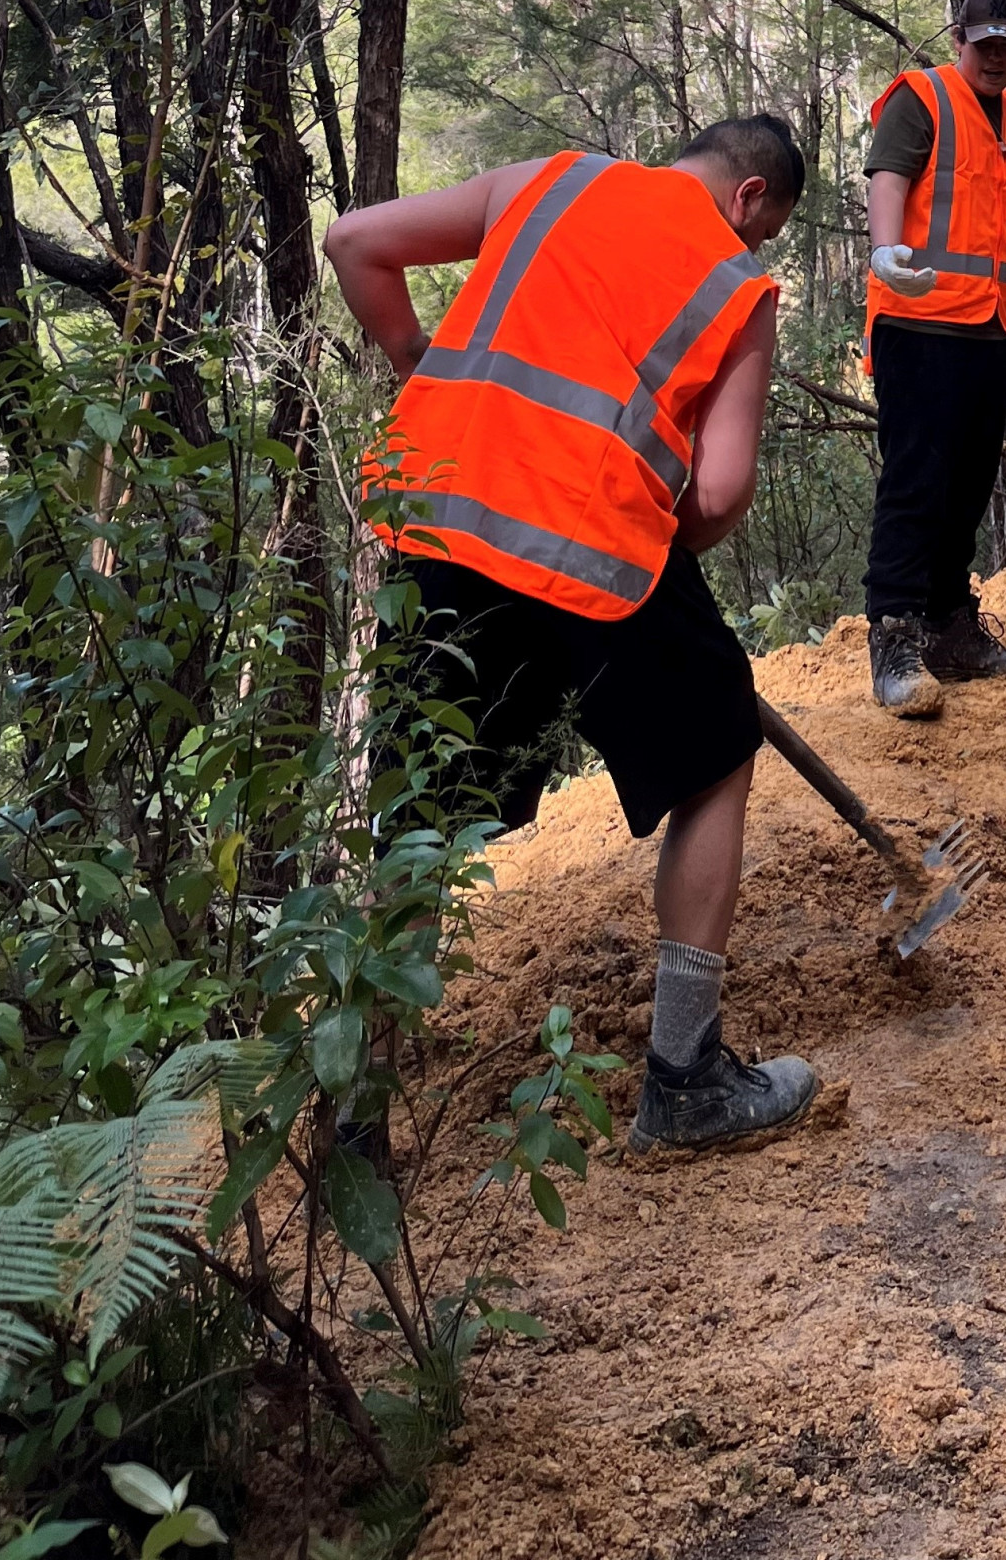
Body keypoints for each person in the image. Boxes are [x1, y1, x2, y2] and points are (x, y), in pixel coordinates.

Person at [325, 114, 821, 1156]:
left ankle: (354, 1113)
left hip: (442, 519)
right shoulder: (735, 284)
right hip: (595, 546)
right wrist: (660, 521)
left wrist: (421, 360)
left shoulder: (546, 181)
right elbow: (722, 487)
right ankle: (684, 1078)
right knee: (719, 750)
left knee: (423, 807)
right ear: (751, 200)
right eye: (764, 231)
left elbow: (354, 241)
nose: (755, 249)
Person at [859, 0, 1006, 717]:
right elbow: (888, 178)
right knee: (918, 477)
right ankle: (894, 636)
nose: (997, 57)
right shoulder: (923, 97)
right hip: (918, 319)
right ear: (962, 40)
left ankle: (950, 626)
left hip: (989, 328)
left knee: (971, 479)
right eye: (987, 45)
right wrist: (886, 250)